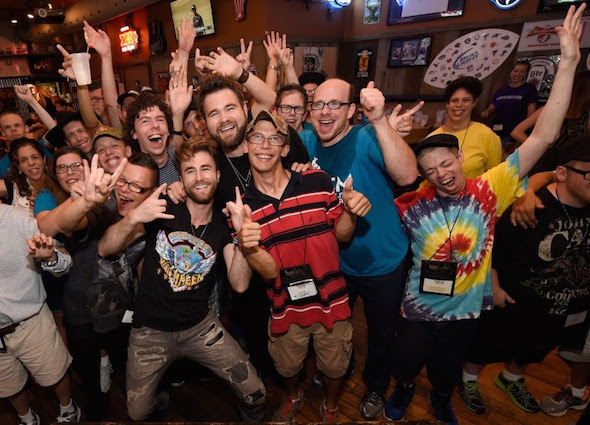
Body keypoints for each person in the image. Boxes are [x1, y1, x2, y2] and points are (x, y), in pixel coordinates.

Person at [383, 5, 584, 424]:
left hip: (465, 308)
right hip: (418, 307)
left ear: (460, 156)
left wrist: (567, 63)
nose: (442, 174)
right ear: (421, 174)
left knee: (446, 369)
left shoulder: (488, 189)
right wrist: (382, 128)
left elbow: (544, 135)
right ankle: (402, 389)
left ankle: (440, 399)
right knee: (405, 361)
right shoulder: (411, 202)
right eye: (431, 169)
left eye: (447, 163)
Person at [97, 137, 266, 421]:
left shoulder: (224, 224)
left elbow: (239, 284)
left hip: (199, 327)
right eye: (190, 170)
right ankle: (159, 400)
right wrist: (134, 216)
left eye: (205, 169)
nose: (199, 178)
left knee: (256, 393)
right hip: (149, 331)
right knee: (137, 413)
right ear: (181, 178)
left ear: (218, 175)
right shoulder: (162, 208)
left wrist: (243, 238)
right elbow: (105, 247)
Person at [227, 111, 371, 422]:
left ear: (284, 148)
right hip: (285, 307)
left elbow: (342, 236)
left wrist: (350, 211)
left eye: (274, 138)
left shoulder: (317, 181)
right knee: (286, 367)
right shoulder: (244, 207)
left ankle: (330, 406)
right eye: (256, 137)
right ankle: (294, 395)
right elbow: (267, 272)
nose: (265, 144)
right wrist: (246, 243)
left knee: (335, 367)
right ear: (246, 147)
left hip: (332, 302)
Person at [299, 78, 418, 419]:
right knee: (336, 326)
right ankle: (340, 369)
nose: (324, 111)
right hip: (335, 261)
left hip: (382, 260)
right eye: (318, 104)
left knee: (381, 334)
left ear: (352, 111)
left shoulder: (365, 136)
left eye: (334, 104)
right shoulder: (306, 141)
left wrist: (380, 121)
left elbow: (409, 175)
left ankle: (377, 387)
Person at [459, 134, 590, 416]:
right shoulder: (530, 206)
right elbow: (492, 240)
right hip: (513, 298)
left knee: (534, 349)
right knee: (486, 344)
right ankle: (468, 380)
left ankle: (512, 379)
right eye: (589, 172)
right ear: (564, 173)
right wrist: (492, 283)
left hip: (560, 304)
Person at [0, 204, 79, 425]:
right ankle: (27, 418)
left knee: (55, 373)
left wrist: (50, 256)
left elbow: (65, 262)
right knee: (8, 385)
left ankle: (68, 408)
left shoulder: (17, 219)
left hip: (30, 323)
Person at [511, 70, 590, 175]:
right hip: (541, 165)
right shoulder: (551, 110)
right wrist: (539, 148)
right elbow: (517, 131)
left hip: (566, 169)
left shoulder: (586, 117)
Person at [428, 76, 502, 179]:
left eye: (466, 100)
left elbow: (495, 178)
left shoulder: (487, 135)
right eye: (454, 100)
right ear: (447, 104)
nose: (459, 104)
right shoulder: (432, 138)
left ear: (474, 103)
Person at [481, 61, 538, 147]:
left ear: (526, 74)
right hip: (496, 130)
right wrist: (487, 112)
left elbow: (531, 111)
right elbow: (492, 106)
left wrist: (526, 131)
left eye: (522, 72)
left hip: (514, 133)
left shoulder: (529, 89)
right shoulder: (502, 89)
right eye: (516, 71)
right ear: (511, 72)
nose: (518, 74)